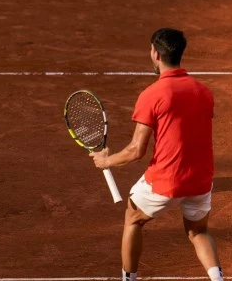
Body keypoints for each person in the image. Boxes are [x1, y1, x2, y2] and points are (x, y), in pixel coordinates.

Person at [90, 28, 223, 281]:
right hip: (201, 179)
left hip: (167, 180)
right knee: (198, 231)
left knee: (132, 218)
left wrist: (106, 160)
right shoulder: (203, 91)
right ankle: (218, 279)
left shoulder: (152, 94)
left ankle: (129, 279)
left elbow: (135, 150)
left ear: (155, 53)